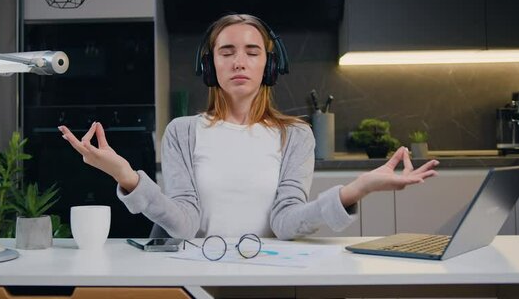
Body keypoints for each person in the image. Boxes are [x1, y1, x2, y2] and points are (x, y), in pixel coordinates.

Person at [58, 14, 439, 240]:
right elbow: (184, 224)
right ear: (211, 67)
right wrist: (127, 176)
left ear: (268, 67)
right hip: (201, 271)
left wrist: (359, 188)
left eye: (252, 52)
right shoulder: (182, 132)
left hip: (271, 275)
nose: (239, 61)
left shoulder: (296, 135)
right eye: (227, 52)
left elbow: (287, 222)